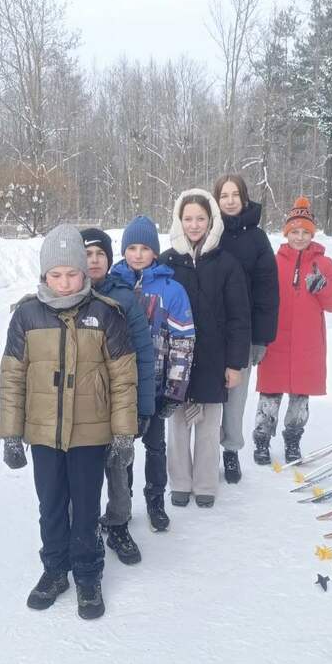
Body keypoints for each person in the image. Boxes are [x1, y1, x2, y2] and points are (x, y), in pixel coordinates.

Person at [0, 226, 138, 619]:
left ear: (84, 272)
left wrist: (124, 433)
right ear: (44, 275)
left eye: (72, 274)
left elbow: (123, 378)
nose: (64, 282)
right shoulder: (26, 315)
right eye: (56, 275)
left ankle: (88, 574)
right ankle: (55, 569)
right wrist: (11, 434)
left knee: (87, 506)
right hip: (43, 433)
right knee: (51, 504)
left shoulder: (106, 314)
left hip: (90, 433)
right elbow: (12, 377)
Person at [159, 190, 250, 508]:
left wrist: (235, 364)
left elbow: (239, 317)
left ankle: (206, 484)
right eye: (188, 219)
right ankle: (180, 482)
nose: (194, 225)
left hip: (214, 359)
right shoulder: (167, 262)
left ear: (211, 221)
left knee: (209, 427)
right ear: (178, 221)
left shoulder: (226, 263)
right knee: (178, 425)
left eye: (200, 218)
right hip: (177, 361)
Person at [109, 216, 195, 530]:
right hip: (121, 389)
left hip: (156, 388)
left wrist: (175, 389)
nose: (138, 254)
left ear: (155, 252)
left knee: (156, 447)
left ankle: (156, 501)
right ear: (123, 250)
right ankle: (123, 502)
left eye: (144, 248)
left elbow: (183, 342)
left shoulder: (172, 290)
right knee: (122, 450)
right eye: (131, 247)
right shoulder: (112, 285)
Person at [80, 227, 156, 565]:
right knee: (81, 472)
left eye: (101, 254)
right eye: (87, 254)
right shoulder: (68, 295)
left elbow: (143, 352)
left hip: (118, 402)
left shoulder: (124, 298)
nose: (94, 260)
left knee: (119, 467)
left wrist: (143, 405)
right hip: (82, 403)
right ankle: (83, 526)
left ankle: (118, 523)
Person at [254, 196, 332, 465]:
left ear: (312, 234)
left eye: (305, 232)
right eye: (294, 231)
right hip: (276, 341)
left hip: (308, 345)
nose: (300, 237)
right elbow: (260, 298)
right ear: (286, 233)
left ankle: (293, 440)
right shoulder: (273, 262)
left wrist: (323, 287)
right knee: (269, 395)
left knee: (300, 399)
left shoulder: (324, 264)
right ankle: (262, 440)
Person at [214, 174, 279, 484]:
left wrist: (261, 338)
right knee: (208, 398)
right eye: (224, 195)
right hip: (211, 331)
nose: (230, 201)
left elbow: (268, 292)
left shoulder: (257, 239)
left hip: (243, 333)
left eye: (235, 195)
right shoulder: (209, 233)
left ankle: (231, 450)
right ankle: (206, 452)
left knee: (235, 398)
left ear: (244, 197)